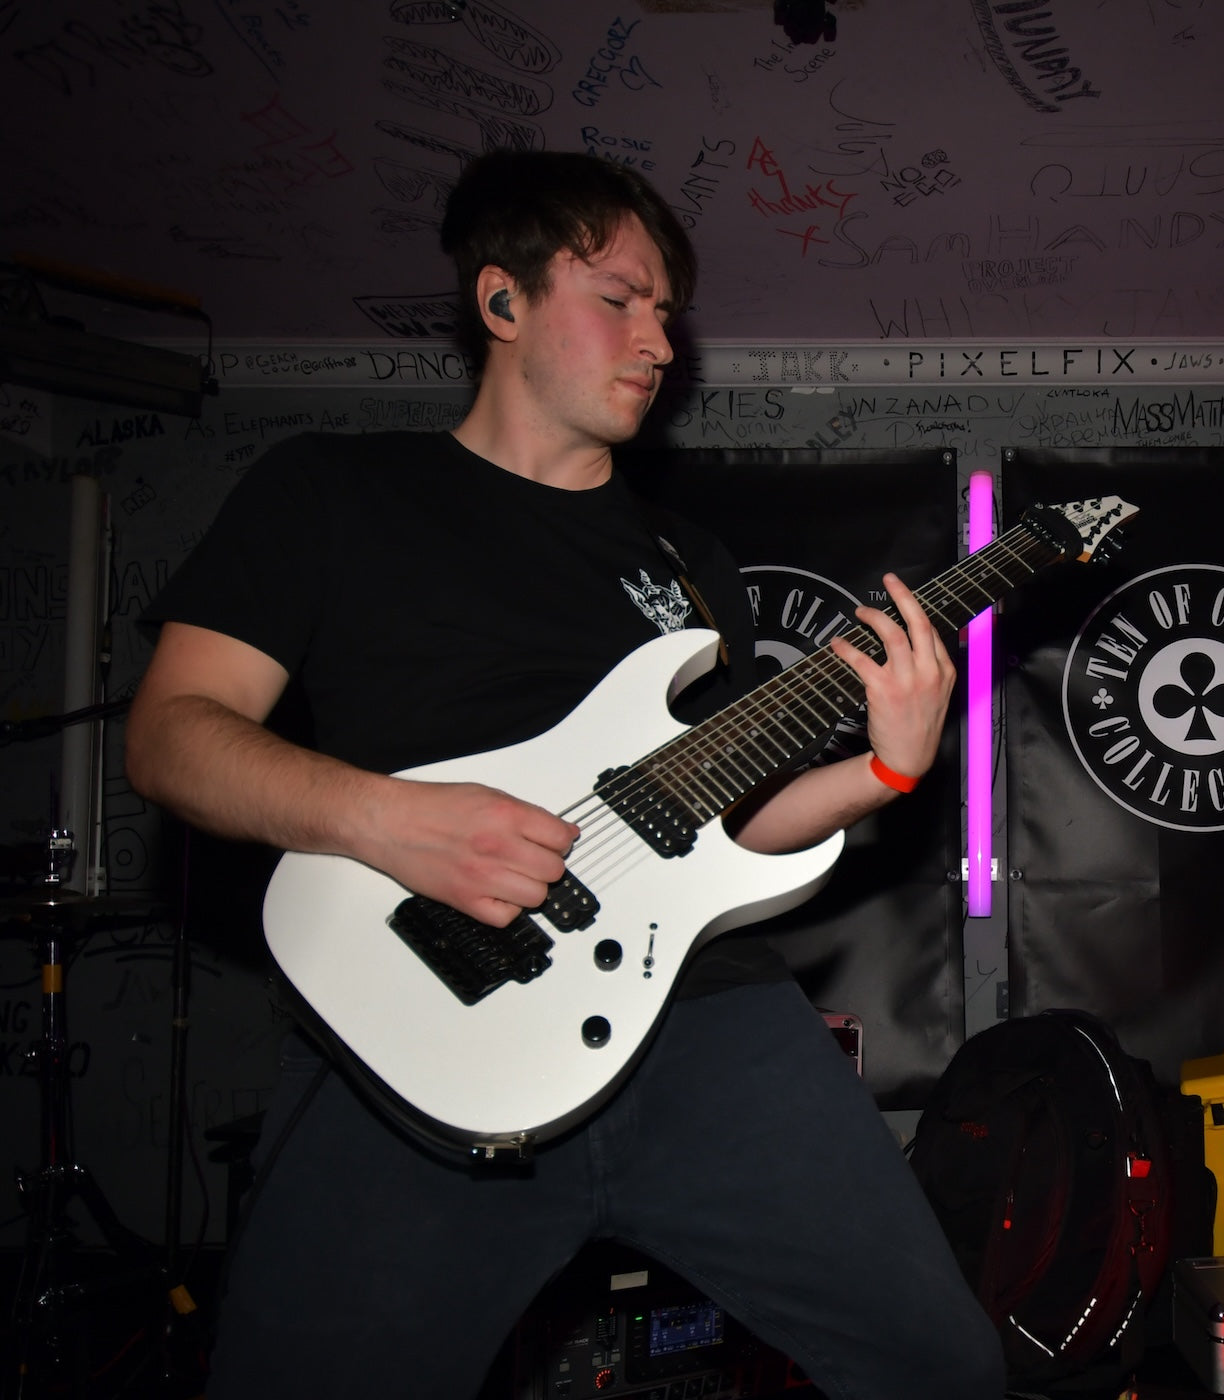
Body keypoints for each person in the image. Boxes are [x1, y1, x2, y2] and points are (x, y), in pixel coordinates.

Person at [125, 149, 1005, 1399]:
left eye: (667, 312)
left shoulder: (689, 562)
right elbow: (170, 734)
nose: (658, 341)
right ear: (502, 298)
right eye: (620, 298)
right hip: (425, 1027)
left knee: (941, 1365)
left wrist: (884, 768)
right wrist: (388, 818)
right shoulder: (329, 490)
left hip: (703, 1021)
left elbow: (723, 830)